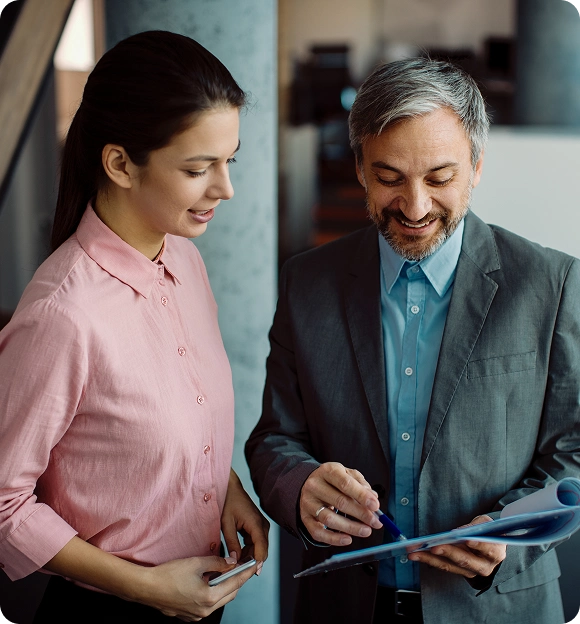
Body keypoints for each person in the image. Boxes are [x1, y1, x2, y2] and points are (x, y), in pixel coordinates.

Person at [245, 57, 580, 624]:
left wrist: (510, 528)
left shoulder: (554, 284)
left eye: (441, 178)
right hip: (344, 608)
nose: (416, 207)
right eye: (390, 178)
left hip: (498, 610)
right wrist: (299, 486)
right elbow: (275, 437)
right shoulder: (308, 281)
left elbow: (573, 452)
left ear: (476, 166)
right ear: (359, 168)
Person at [0, 30, 269, 623]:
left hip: (196, 601)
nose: (226, 189)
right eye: (199, 168)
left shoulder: (185, 261)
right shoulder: (62, 314)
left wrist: (225, 489)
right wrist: (144, 588)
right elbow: (3, 505)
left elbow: (162, 417)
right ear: (120, 163)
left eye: (229, 161)